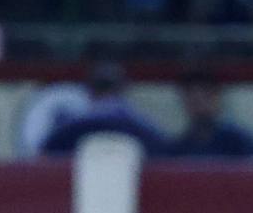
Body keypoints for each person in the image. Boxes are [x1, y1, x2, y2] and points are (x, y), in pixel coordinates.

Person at [39, 61, 167, 152]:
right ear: (123, 88)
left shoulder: (66, 129)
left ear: (89, 90)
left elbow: (45, 153)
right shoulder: (141, 127)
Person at [164, 72, 253, 155]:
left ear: (218, 98)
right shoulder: (179, 148)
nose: (200, 104)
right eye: (193, 99)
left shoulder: (240, 142)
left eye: (207, 95)